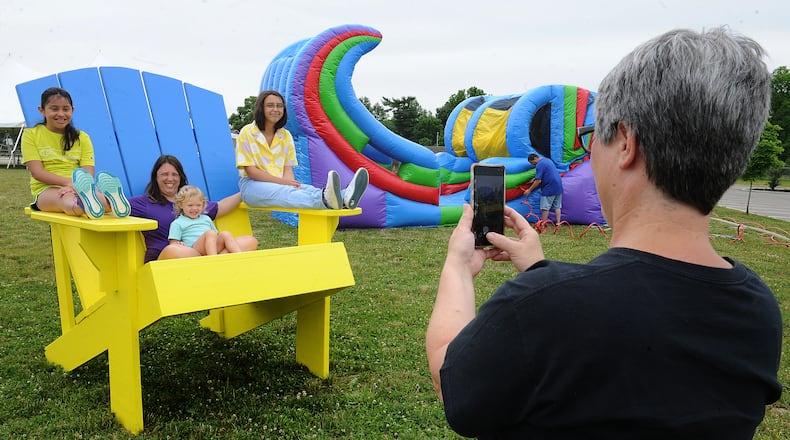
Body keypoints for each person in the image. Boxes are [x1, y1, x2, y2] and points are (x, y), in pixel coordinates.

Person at [426, 27, 782, 439]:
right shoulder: (758, 311)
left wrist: (457, 268)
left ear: (626, 143)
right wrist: (541, 271)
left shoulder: (540, 309)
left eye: (592, 138)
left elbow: (452, 382)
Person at [236, 90, 369, 210]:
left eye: (279, 106)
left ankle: (345, 196)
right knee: (287, 192)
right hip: (252, 186)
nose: (276, 109)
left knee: (305, 189)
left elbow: (287, 170)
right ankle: (325, 200)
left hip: (279, 184)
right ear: (261, 108)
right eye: (270, 105)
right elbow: (251, 171)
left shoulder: (285, 136)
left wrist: (288, 183)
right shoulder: (247, 132)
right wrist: (283, 183)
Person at [21, 87, 130, 219]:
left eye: (66, 109)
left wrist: (76, 187)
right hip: (47, 189)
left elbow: (87, 172)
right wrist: (69, 184)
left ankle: (109, 199)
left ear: (72, 110)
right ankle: (105, 201)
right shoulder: (31, 135)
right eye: (54, 109)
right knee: (67, 201)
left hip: (81, 187)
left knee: (80, 201)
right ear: (42, 110)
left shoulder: (82, 137)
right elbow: (37, 172)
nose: (61, 114)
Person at [130, 154, 258, 262]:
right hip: (171, 256)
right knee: (172, 250)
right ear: (156, 177)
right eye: (164, 174)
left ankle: (213, 262)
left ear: (180, 178)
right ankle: (216, 261)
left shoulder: (193, 201)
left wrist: (245, 192)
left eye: (175, 174)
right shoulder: (144, 203)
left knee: (250, 241)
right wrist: (109, 202)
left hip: (205, 250)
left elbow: (220, 206)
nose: (170, 178)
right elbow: (118, 206)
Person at [168, 185, 241, 256]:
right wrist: (179, 244)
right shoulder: (177, 223)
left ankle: (240, 256)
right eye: (190, 205)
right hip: (194, 250)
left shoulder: (206, 219)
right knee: (210, 233)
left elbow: (215, 236)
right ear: (181, 205)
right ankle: (213, 259)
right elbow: (173, 244)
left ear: (203, 205)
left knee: (225, 233)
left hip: (212, 247)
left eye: (198, 205)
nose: (195, 208)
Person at [522, 153, 563, 223]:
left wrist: (529, 190)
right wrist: (535, 178)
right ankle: (558, 223)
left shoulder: (539, 164)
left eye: (532, 163)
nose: (533, 165)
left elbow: (539, 181)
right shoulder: (547, 160)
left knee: (545, 207)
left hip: (549, 187)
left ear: (535, 158)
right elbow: (547, 173)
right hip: (558, 186)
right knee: (557, 206)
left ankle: (544, 223)